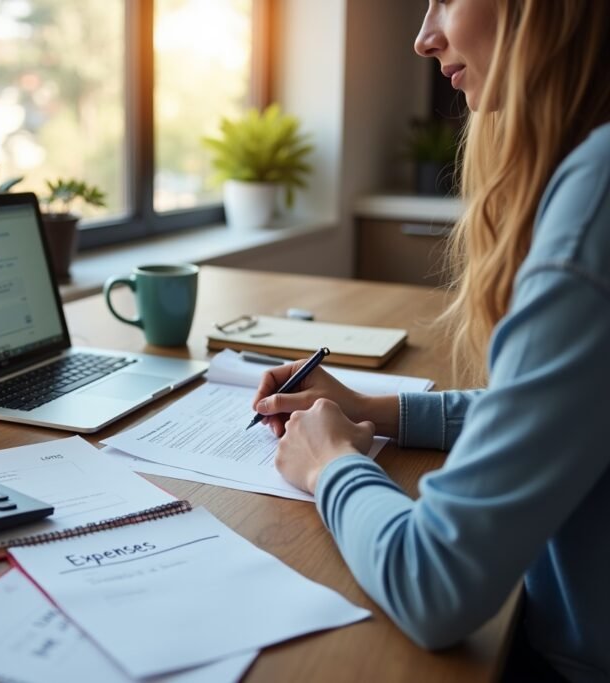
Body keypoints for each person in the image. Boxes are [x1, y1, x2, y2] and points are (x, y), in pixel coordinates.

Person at [251, 2, 610, 681]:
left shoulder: (598, 196)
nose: (423, 37)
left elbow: (435, 582)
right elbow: (567, 408)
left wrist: (329, 463)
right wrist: (377, 409)